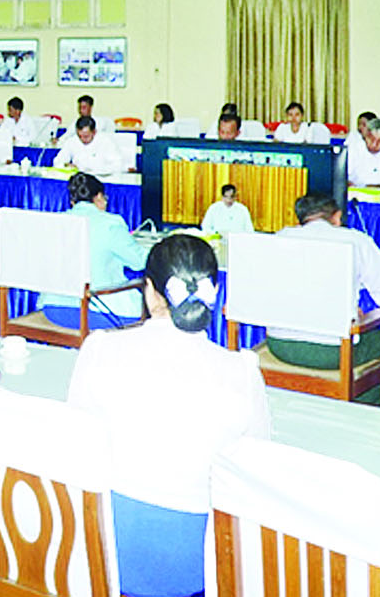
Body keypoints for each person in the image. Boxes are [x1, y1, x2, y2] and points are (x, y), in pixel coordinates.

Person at [68, 235, 269, 597]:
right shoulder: (242, 371)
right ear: (213, 292)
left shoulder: (99, 348)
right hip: (196, 563)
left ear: (149, 291)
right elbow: (254, 471)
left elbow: (77, 444)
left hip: (104, 547)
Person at [269, 194, 380, 391]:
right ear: (337, 217)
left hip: (279, 345)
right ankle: (361, 406)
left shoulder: (279, 237)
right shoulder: (356, 240)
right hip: (335, 351)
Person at [37, 172, 147, 329]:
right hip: (101, 311)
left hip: (54, 310)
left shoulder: (54, 222)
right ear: (99, 197)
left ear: (72, 202)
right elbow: (139, 262)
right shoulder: (111, 224)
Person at [53, 116, 127, 175]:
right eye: (79, 136)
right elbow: (58, 161)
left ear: (94, 132)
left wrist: (96, 170)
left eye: (86, 136)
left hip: (101, 178)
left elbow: (118, 165)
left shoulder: (106, 141)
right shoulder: (72, 141)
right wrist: (66, 165)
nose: (82, 139)